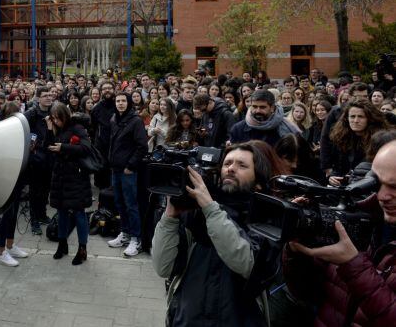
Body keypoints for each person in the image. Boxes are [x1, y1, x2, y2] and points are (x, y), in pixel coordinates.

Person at [152, 143, 280, 326]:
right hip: (186, 319)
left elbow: (246, 264)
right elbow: (163, 267)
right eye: (227, 164)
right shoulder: (196, 211)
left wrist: (210, 209)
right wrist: (170, 216)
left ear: (258, 182)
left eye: (242, 165)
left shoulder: (267, 218)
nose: (231, 169)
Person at [284, 139, 396, 326]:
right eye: (376, 182)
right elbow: (305, 292)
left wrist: (353, 265)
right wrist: (297, 249)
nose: (382, 196)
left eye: (394, 186)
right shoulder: (355, 219)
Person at [47, 103, 92, 265]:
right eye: (53, 118)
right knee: (62, 211)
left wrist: (64, 148)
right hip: (60, 175)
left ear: (65, 116)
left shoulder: (77, 127)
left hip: (76, 176)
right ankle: (62, 244)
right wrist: (49, 129)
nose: (56, 121)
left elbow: (87, 148)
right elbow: (49, 146)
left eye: (58, 118)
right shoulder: (55, 128)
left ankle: (82, 249)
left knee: (79, 212)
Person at [106, 92, 149, 257]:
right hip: (115, 168)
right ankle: (124, 233)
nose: (120, 103)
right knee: (119, 202)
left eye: (124, 101)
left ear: (129, 103)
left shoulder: (135, 121)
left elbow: (142, 147)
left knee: (131, 204)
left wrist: (131, 165)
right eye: (118, 101)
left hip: (128, 170)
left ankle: (135, 239)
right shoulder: (114, 119)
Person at [0, 101, 30, 267]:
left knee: (14, 212)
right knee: (7, 216)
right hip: (5, 179)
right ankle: (1, 252)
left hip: (17, 177)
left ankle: (10, 244)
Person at [326, 99, 390, 186]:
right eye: (352, 116)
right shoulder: (342, 138)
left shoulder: (381, 140)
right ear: (346, 118)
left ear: (370, 119)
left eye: (361, 116)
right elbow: (338, 167)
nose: (355, 120)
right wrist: (333, 177)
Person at [24, 86, 56, 235]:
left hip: (50, 156)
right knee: (34, 191)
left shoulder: (53, 112)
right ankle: (34, 221)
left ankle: (42, 215)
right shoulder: (32, 113)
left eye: (50, 95)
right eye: (45, 96)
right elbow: (24, 130)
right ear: (38, 98)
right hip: (36, 157)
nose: (49, 98)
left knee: (45, 189)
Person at [229, 89, 301, 146]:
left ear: (272, 108)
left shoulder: (287, 129)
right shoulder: (238, 129)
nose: (258, 111)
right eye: (254, 106)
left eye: (262, 107)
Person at [91, 81, 118, 189]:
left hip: (117, 144)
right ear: (101, 91)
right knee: (102, 172)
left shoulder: (118, 105)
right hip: (101, 144)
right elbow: (93, 126)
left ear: (114, 90)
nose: (107, 90)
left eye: (109, 88)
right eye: (104, 88)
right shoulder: (96, 109)